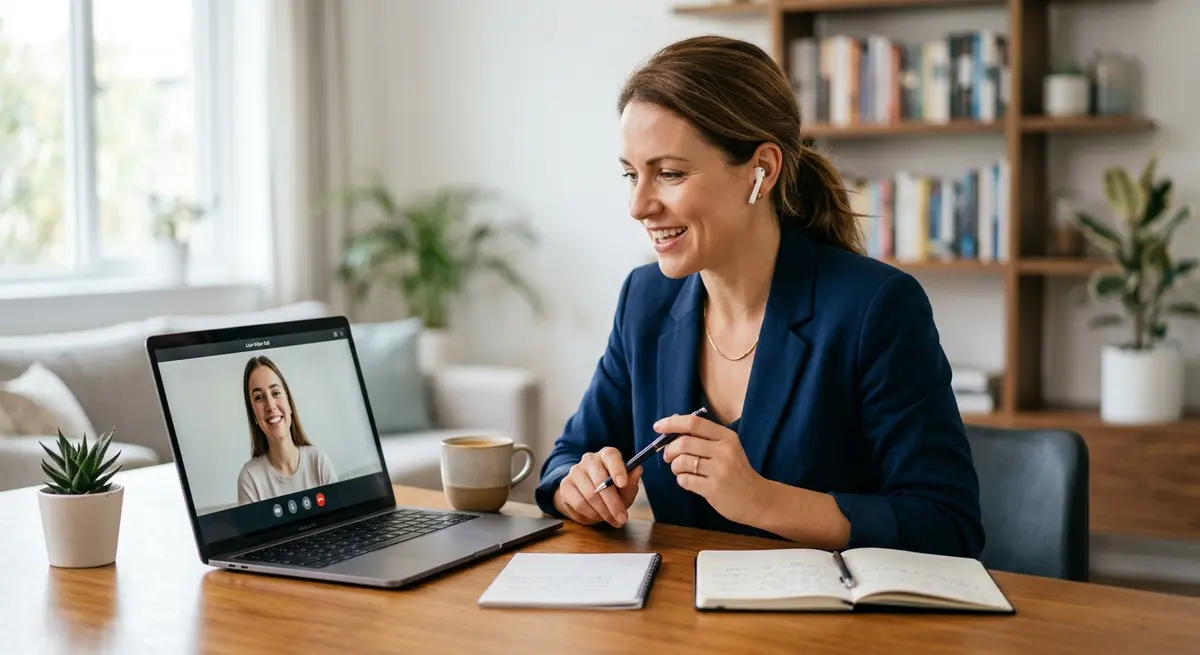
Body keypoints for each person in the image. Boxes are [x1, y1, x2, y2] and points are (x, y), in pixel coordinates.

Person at [533, 35, 984, 558]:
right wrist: (578, 486)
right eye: (632, 175)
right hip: (680, 626)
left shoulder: (875, 307)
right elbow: (568, 456)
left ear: (761, 170)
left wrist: (763, 501)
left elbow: (948, 525)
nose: (638, 205)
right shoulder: (645, 300)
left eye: (670, 174)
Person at [236, 355, 338, 505]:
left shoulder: (318, 461)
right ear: (254, 416)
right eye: (259, 397)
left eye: (276, 393)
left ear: (289, 403)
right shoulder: (249, 478)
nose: (270, 405)